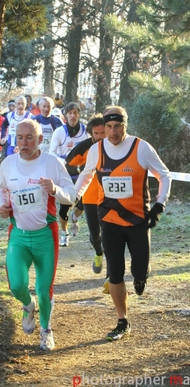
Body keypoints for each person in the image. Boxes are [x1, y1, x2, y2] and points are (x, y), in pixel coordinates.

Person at [75, 105, 172, 341]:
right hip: (109, 221)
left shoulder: (141, 148)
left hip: (138, 220)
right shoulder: (97, 150)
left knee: (139, 269)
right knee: (115, 273)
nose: (113, 132)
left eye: (117, 126)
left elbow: (164, 175)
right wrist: (72, 199)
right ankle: (122, 320)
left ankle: (141, 276)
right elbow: (86, 176)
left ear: (125, 126)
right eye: (108, 126)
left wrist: (159, 205)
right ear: (103, 127)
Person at [0, 120, 76, 350]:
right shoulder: (7, 164)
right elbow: (2, 192)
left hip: (46, 235)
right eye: (20, 137)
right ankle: (27, 304)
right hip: (19, 236)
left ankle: (46, 330)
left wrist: (55, 190)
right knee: (17, 286)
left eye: (29, 137)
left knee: (44, 289)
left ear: (40, 139)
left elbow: (71, 196)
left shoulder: (52, 163)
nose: (24, 142)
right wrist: (3, 207)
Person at [65, 114, 108, 278]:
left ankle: (112, 274)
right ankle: (98, 253)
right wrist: (78, 174)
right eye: (96, 133)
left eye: (102, 132)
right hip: (90, 196)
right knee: (94, 234)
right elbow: (69, 162)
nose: (100, 136)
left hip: (110, 195)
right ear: (91, 133)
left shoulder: (114, 146)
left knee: (110, 233)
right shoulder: (85, 146)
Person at [49, 102, 88, 247]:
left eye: (75, 113)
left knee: (83, 205)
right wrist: (66, 160)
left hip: (82, 173)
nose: (73, 116)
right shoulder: (59, 132)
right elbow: (52, 153)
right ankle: (65, 234)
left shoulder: (85, 131)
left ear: (79, 115)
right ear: (66, 115)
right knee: (64, 207)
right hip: (65, 173)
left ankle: (75, 216)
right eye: (70, 113)